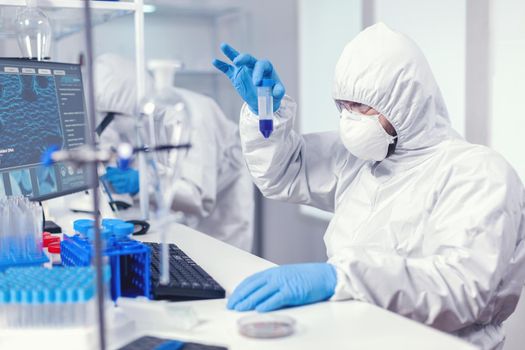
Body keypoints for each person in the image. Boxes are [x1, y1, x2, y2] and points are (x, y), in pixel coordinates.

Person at [212, 23, 525, 350]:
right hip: (356, 334)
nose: (350, 119)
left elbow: (461, 289)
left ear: (405, 102)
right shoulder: (359, 160)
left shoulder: (478, 173)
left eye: (362, 106)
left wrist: (341, 278)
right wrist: (267, 114)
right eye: (344, 106)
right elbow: (283, 174)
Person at [95, 54, 254, 251]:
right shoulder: (143, 117)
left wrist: (140, 183)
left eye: (109, 121)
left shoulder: (192, 116)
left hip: (223, 212)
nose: (116, 134)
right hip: (182, 216)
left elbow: (199, 197)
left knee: (222, 270)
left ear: (125, 109)